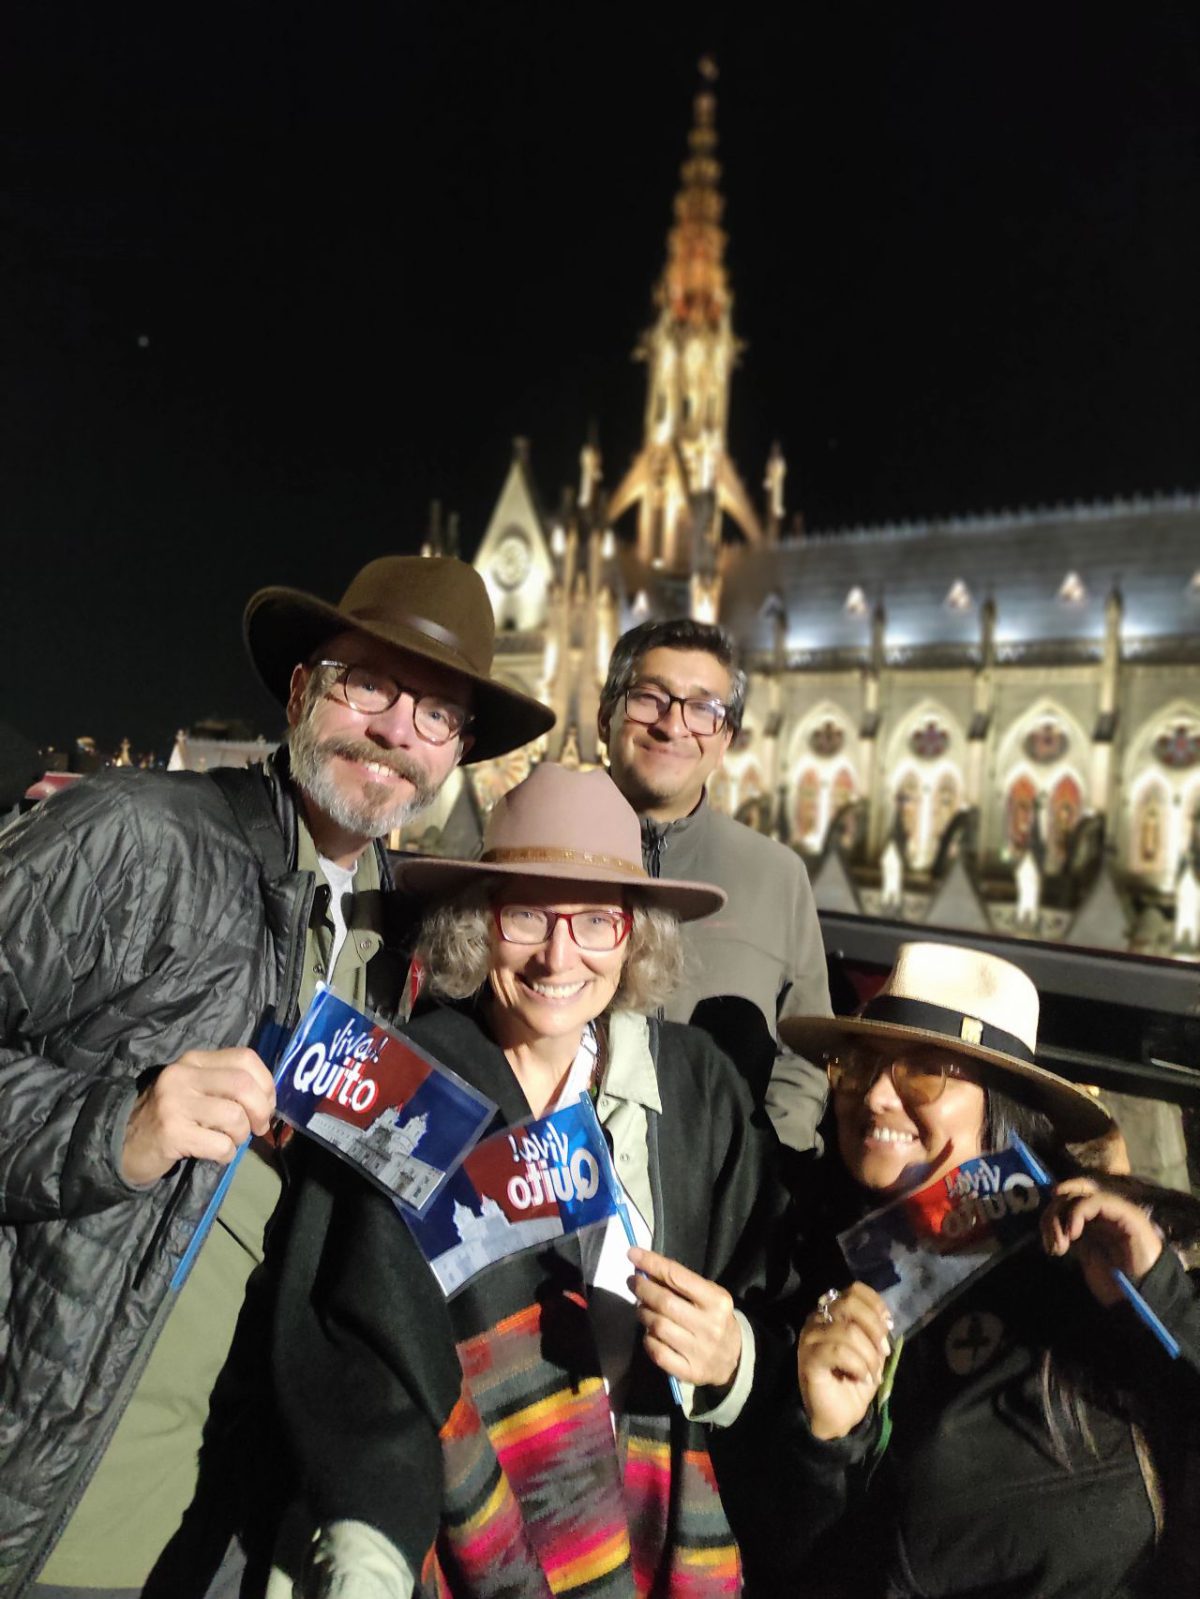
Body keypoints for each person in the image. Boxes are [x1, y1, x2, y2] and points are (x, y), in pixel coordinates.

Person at [0, 554, 553, 1599]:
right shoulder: (136, 836)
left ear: (460, 755)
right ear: (302, 689)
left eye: (436, 713)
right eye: (370, 685)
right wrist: (110, 1129)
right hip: (52, 1509)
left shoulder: (403, 937)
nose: (397, 730)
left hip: (238, 1533)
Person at [172, 762, 790, 1597]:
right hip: (459, 1537)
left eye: (597, 920)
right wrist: (369, 1536)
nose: (559, 955)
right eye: (525, 913)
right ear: (476, 923)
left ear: (635, 934)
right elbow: (350, 1325)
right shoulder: (403, 1085)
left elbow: (773, 1294)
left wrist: (733, 1358)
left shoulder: (700, 1089)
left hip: (651, 1531)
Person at [737, 941, 1200, 1597]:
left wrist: (1161, 1301)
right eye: (859, 1064)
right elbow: (796, 1566)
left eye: (923, 1072)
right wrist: (825, 1443)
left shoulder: (1125, 1256)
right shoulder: (800, 1264)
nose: (874, 1096)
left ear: (1003, 1100)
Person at [597, 618, 832, 1141]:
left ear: (725, 740)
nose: (673, 726)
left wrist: (771, 1163)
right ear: (604, 717)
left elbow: (804, 1052)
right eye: (649, 698)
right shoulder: (542, 850)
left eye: (703, 709)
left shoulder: (777, 876)